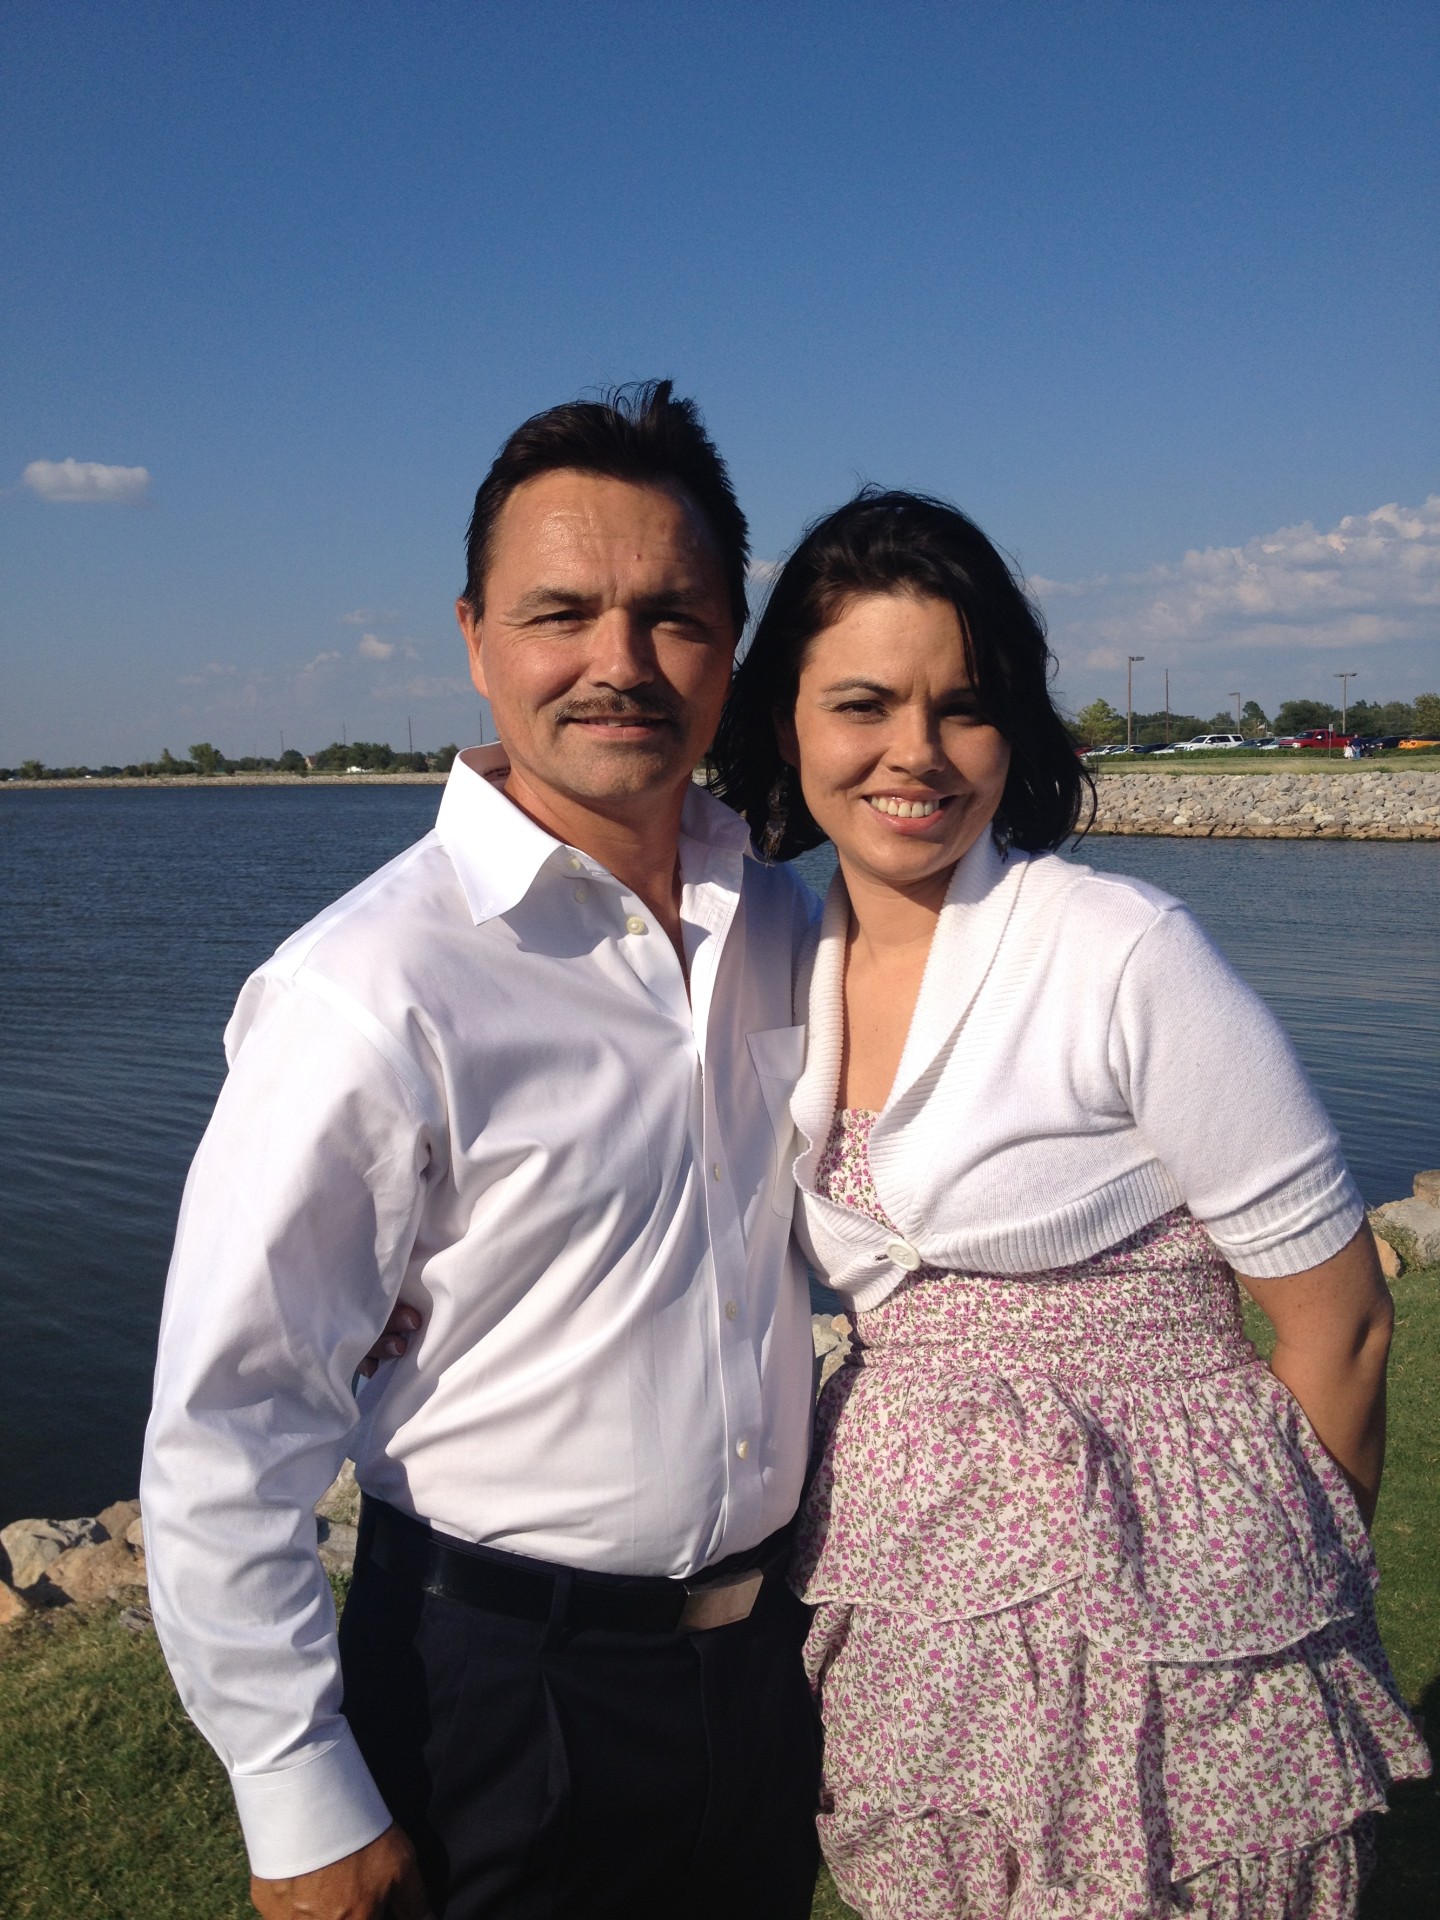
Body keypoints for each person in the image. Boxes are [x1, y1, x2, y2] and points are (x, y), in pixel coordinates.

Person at [140, 382, 822, 1920]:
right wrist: (295, 1791)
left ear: (732, 638)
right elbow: (229, 1416)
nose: (619, 664)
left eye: (674, 614)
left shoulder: (784, 922)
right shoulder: (372, 988)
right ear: (474, 638)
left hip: (761, 1679)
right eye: (560, 613)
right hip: (495, 1695)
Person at [708, 488, 1431, 1918]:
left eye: (963, 707)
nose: (915, 754)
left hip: (1187, 1621)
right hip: (922, 1618)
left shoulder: (1120, 949)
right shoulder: (773, 954)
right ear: (787, 720)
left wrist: (1271, 1586)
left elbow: (1339, 1323)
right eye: (864, 703)